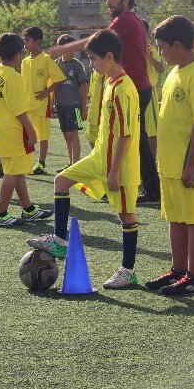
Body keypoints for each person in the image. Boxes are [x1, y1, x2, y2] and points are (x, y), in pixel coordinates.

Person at [27, 30, 141, 289]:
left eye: (93, 59)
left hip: (119, 166)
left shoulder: (124, 87)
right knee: (61, 181)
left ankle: (128, 270)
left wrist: (114, 171)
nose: (91, 65)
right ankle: (59, 240)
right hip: (99, 158)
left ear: (109, 57)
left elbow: (125, 134)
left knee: (126, 216)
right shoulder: (110, 82)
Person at [145, 15, 194, 296]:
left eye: (161, 47)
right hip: (170, 164)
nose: (159, 53)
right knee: (176, 218)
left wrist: (191, 165)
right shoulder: (175, 72)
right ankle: (178, 270)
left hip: (190, 166)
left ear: (177, 44)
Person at [0, 33, 52, 227]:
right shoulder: (13, 77)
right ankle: (1, 214)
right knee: (12, 173)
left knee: (18, 170)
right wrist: (31, 131)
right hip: (12, 131)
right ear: (18, 55)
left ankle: (28, 208)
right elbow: (19, 111)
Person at [105, 0, 160, 203]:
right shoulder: (133, 19)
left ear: (126, 0)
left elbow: (99, 41)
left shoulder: (125, 20)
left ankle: (152, 189)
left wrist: (64, 48)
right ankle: (149, 187)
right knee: (136, 138)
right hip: (138, 87)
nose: (109, 2)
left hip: (135, 87)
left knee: (134, 139)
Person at [21, 26, 67, 175]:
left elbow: (58, 79)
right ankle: (25, 162)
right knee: (26, 134)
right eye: (24, 40)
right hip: (25, 106)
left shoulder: (46, 59)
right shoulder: (24, 61)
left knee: (43, 136)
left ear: (37, 41)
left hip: (41, 105)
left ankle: (41, 163)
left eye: (27, 40)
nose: (24, 43)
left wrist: (46, 93)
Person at [53, 34, 89, 172]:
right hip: (61, 106)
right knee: (66, 135)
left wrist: (83, 107)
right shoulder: (56, 63)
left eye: (74, 49)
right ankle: (70, 163)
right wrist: (52, 104)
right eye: (69, 49)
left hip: (75, 107)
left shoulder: (78, 65)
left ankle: (76, 165)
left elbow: (84, 87)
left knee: (74, 135)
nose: (72, 52)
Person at [143, 19, 164, 159]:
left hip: (149, 93)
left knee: (152, 130)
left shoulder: (151, 50)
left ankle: (152, 161)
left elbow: (161, 68)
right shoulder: (129, 50)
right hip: (135, 93)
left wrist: (147, 56)